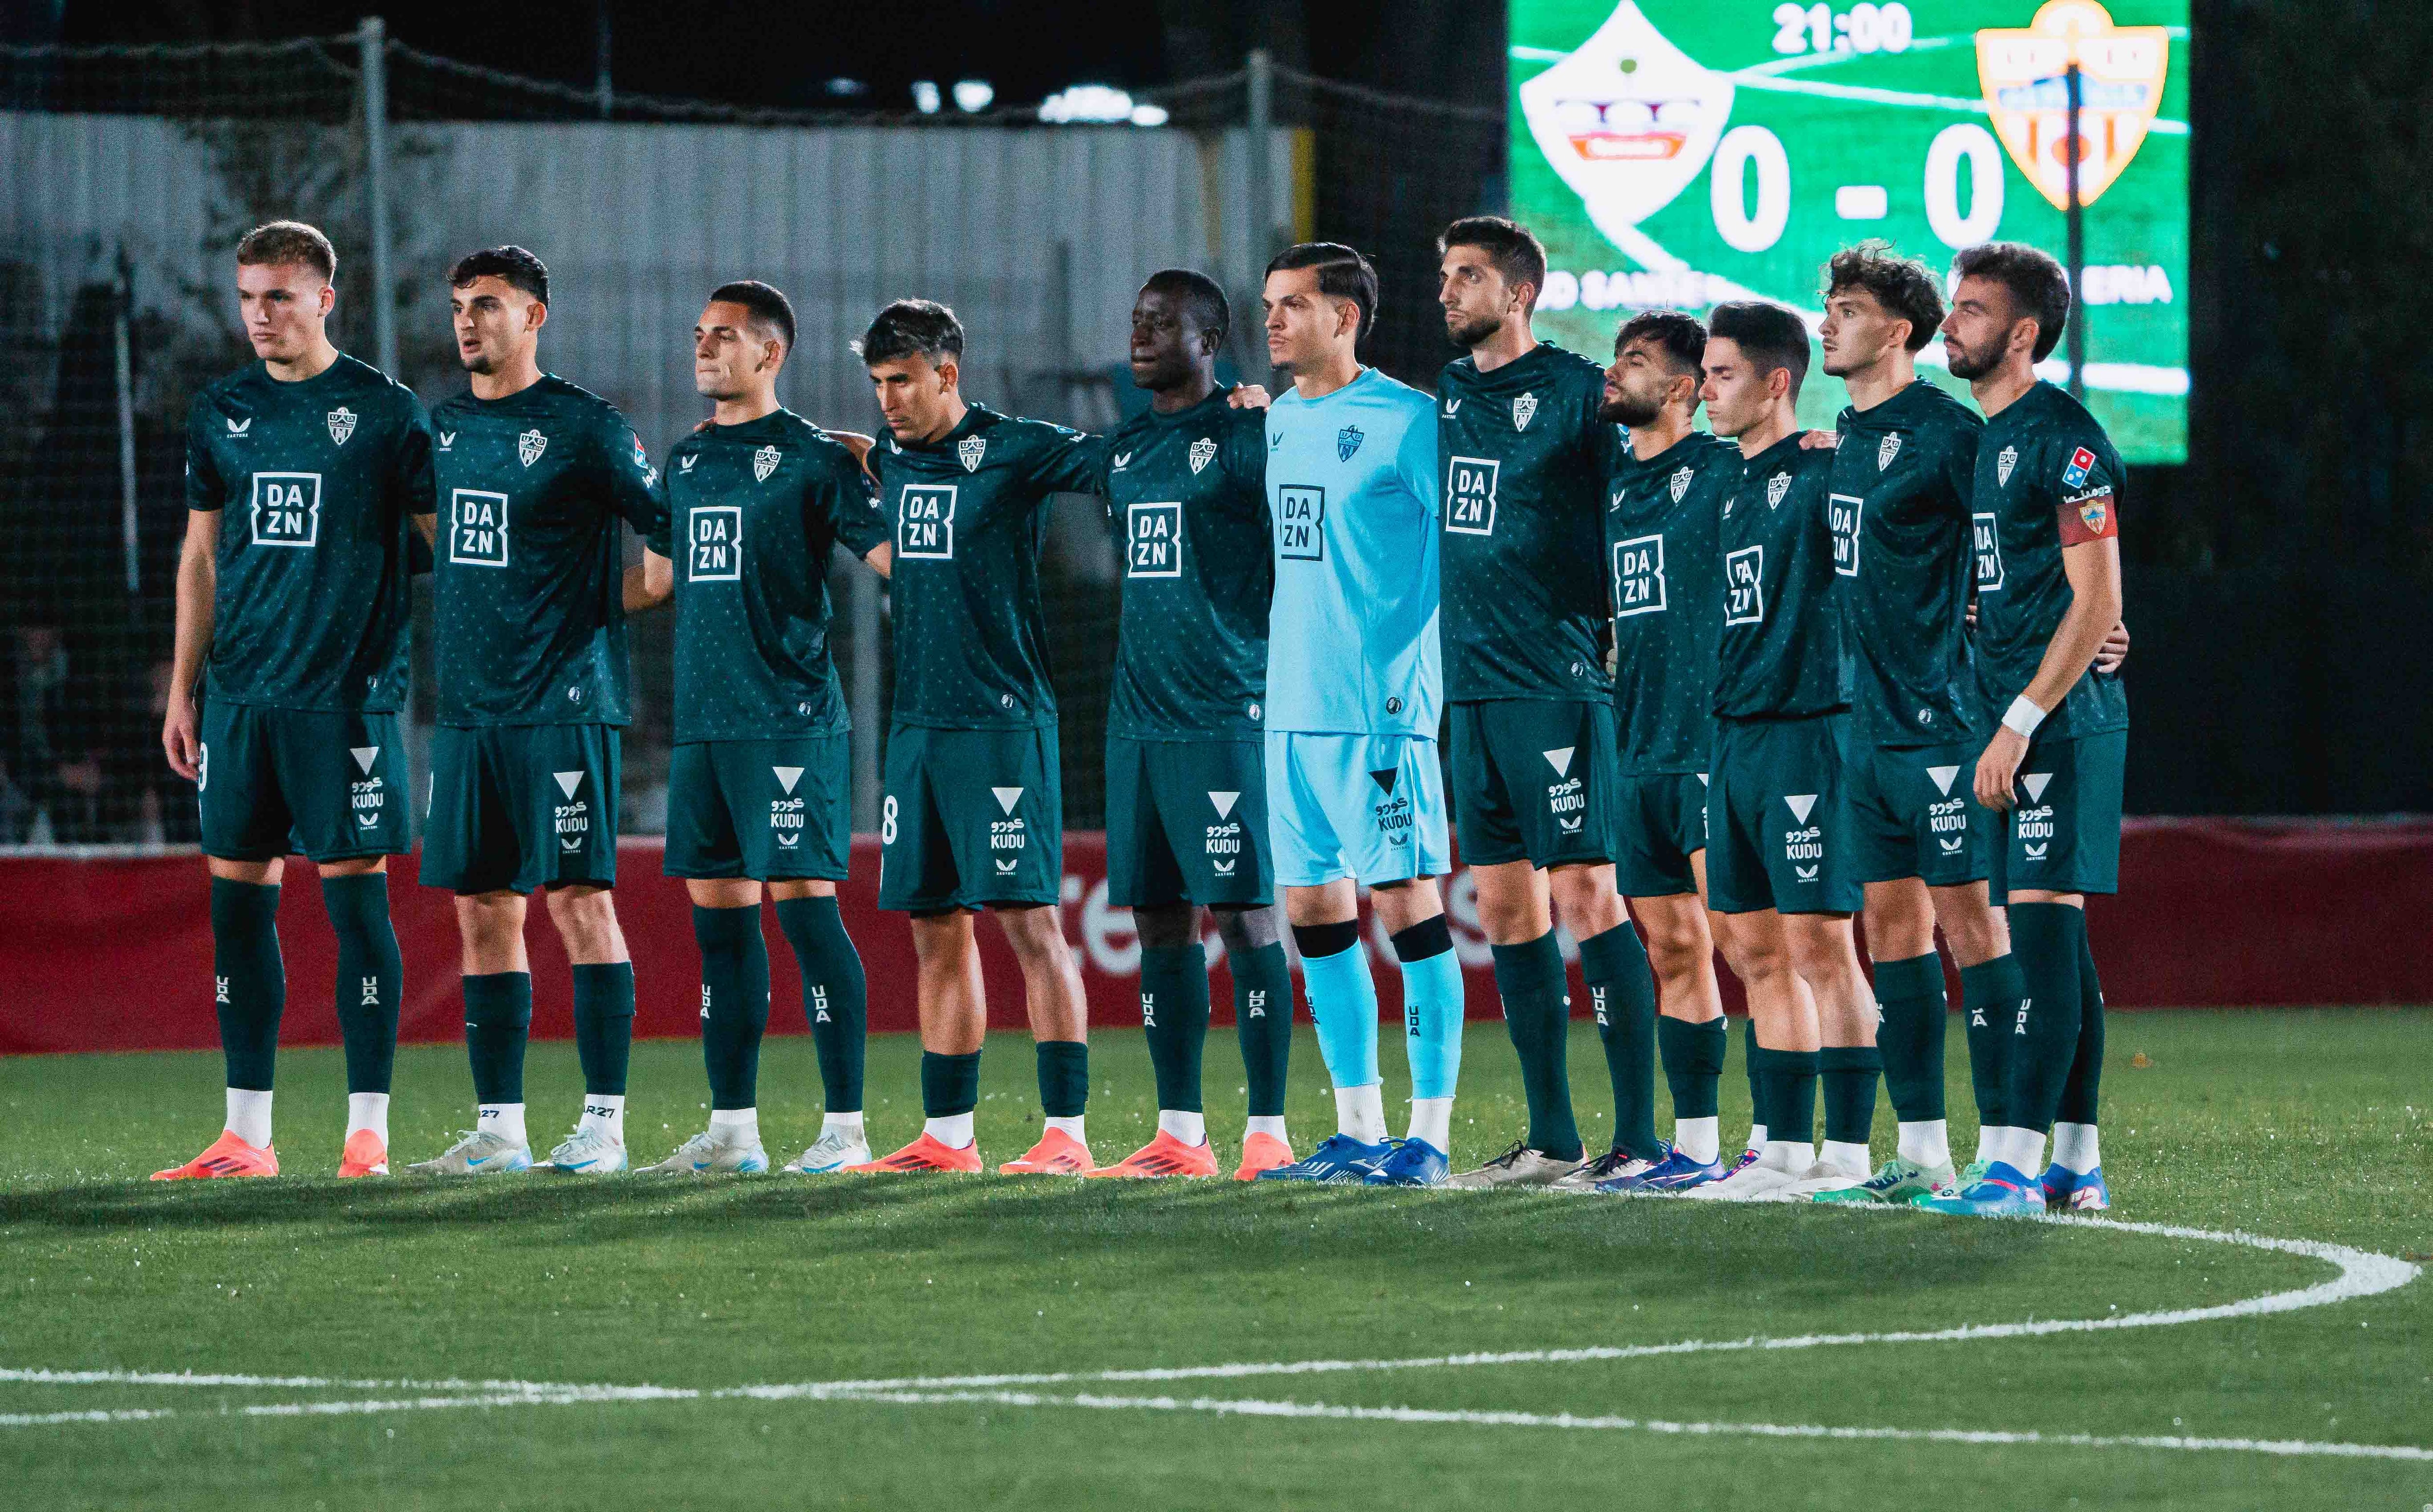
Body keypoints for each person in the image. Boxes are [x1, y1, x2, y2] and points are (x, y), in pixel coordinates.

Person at [153, 220, 431, 1181]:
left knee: (357, 913)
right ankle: (247, 1136)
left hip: (344, 704)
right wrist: (186, 690)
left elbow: (447, 543)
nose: (259, 315)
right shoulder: (221, 410)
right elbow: (200, 558)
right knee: (238, 915)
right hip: (242, 701)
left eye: (278, 295)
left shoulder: (388, 413)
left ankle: (367, 1134)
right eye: (246, 297)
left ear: (325, 298)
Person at [408, 247, 664, 1177]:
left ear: (534, 317)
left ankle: (604, 1124)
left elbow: (673, 537)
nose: (468, 322)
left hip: (565, 703)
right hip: (472, 713)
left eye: (487, 305)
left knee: (581, 901)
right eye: (458, 308)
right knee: (483, 910)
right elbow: (440, 539)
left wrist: (596, 601)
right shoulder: (439, 432)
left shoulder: (587, 426)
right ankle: (501, 1131)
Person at [628, 281, 893, 1177]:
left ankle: (847, 1133)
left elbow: (893, 556)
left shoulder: (819, 459)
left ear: (770, 354)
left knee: (808, 918)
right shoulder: (688, 459)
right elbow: (655, 581)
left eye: (726, 336)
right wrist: (545, 599)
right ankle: (734, 1134)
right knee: (720, 926)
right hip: (705, 727)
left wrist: (892, 462)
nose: (704, 349)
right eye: (700, 333)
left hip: (790, 723)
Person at [1426, 217, 1665, 1191]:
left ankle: (1641, 1138)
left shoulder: (1577, 395)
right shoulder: (1444, 395)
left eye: (1467, 277)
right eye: (1443, 276)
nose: (1446, 292)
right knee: (1506, 911)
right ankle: (1553, 1138)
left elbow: (1654, 488)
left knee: (1584, 895)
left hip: (1557, 684)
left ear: (1516, 294)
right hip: (1471, 693)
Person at [843, 299, 1105, 1176]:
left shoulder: (1018, 448)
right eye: (878, 384)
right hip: (918, 729)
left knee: (1032, 926)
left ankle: (1066, 1135)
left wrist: (1230, 416)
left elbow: (1115, 463)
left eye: (904, 382)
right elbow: (856, 457)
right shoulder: (893, 458)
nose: (889, 400)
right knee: (935, 931)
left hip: (1003, 724)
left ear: (947, 374)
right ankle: (948, 1139)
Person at [1249, 243, 1463, 1189]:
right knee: (1313, 912)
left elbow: (1467, 549)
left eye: (1292, 305)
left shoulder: (1409, 421)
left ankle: (1429, 1135)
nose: (1273, 321)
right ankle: (1357, 1130)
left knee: (1409, 911)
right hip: (1289, 709)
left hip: (1377, 716)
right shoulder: (1281, 421)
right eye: (1269, 305)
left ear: (1345, 317)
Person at [1922, 242, 2128, 1218]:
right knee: (2062, 951)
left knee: (2042, 948)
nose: (1950, 322)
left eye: (1970, 309)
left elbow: (2096, 604)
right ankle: (2074, 1165)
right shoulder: (1985, 440)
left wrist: (2017, 721)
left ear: (2022, 333)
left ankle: (2006, 1166)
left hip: (2059, 727)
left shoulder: (2067, 440)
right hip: (2020, 719)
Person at [1086, 270, 1298, 1181]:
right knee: (1160, 921)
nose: (1139, 334)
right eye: (1135, 319)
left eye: (1161, 323)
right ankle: (1180, 1134)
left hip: (1224, 714)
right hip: (1138, 722)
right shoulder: (1124, 448)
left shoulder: (1252, 438)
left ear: (1208, 339)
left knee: (1248, 921)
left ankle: (1269, 1130)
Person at [1804, 242, 2004, 1206]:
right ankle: (1923, 1152)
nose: (1825, 323)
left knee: (1975, 930)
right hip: (1867, 733)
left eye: (1843, 309)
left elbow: (2030, 533)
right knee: (1892, 934)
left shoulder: (1947, 434)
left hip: (1943, 726)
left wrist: (2098, 618)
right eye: (1826, 307)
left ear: (1896, 330)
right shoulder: (1842, 437)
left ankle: (2006, 1152)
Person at [1685, 301, 1882, 1202]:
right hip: (1733, 736)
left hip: (1812, 730)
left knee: (1821, 945)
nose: (1706, 391)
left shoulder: (1829, 474)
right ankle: (1784, 1153)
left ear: (1777, 385)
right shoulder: (1715, 482)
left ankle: (1849, 1150)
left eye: (1723, 375)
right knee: (1754, 951)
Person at [1584, 310, 1752, 1194]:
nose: (1616, 373)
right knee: (1677, 952)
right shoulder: (1615, 485)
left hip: (1712, 744)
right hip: (1635, 744)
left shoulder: (1728, 471)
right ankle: (1693, 1148)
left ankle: (1789, 1148)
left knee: (1752, 946)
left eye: (1637, 362)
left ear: (1685, 389)